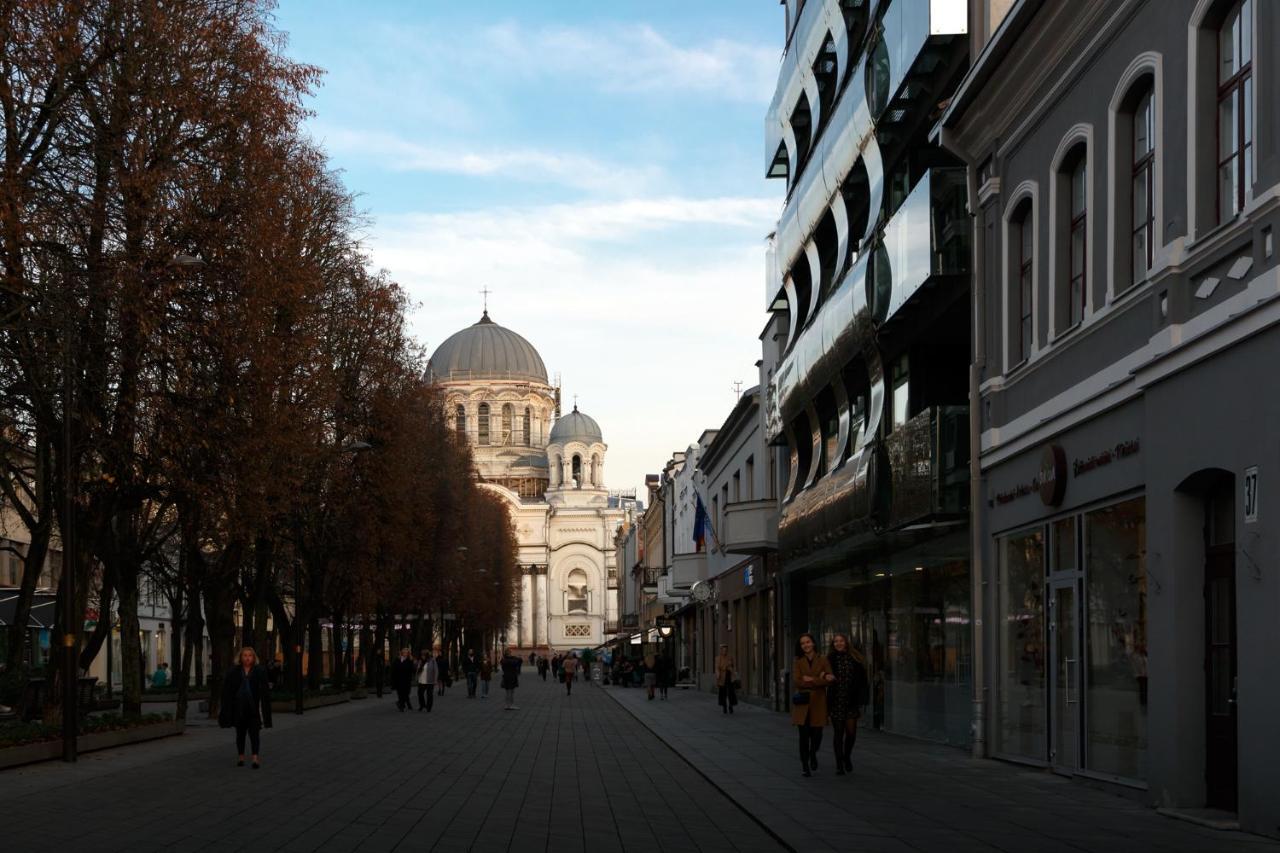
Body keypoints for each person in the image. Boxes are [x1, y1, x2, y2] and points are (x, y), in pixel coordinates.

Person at [218, 646, 272, 769]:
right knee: (240, 734)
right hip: (239, 708)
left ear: (254, 658)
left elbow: (264, 692)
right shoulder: (234, 672)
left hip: (253, 709)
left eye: (250, 656)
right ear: (240, 658)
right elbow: (227, 691)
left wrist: (264, 710)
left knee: (254, 734)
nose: (247, 658)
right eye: (245, 656)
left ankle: (255, 758)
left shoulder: (259, 671)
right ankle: (241, 756)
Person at [827, 633, 870, 775]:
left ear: (846, 642)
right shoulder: (830, 659)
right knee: (838, 733)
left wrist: (863, 699)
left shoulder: (855, 659)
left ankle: (847, 757)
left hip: (851, 700)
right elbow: (821, 673)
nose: (838, 643)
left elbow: (863, 681)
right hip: (836, 700)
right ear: (833, 644)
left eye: (841, 641)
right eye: (835, 642)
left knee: (851, 733)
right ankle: (839, 763)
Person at [792, 632, 833, 777]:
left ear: (813, 643)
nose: (805, 645)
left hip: (818, 704)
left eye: (808, 642)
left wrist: (810, 679)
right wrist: (817, 679)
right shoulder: (798, 661)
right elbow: (797, 682)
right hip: (802, 705)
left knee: (817, 736)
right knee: (803, 737)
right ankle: (805, 765)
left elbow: (829, 680)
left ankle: (813, 753)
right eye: (803, 643)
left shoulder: (823, 659)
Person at [391, 647, 416, 712]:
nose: (405, 654)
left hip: (407, 679)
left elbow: (412, 670)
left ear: (408, 654)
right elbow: (394, 669)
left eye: (406, 653)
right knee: (400, 693)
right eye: (404, 652)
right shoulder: (397, 659)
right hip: (399, 679)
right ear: (401, 653)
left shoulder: (410, 660)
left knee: (406, 693)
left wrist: (414, 665)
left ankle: (401, 703)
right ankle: (401, 706)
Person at [715, 645, 737, 714]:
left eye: (726, 650)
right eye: (723, 650)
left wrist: (733, 672)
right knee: (722, 693)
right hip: (722, 677)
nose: (725, 651)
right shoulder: (718, 658)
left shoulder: (730, 657)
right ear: (721, 650)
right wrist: (718, 675)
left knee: (731, 692)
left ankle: (731, 706)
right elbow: (717, 668)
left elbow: (732, 666)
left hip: (729, 677)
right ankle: (724, 706)